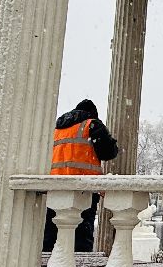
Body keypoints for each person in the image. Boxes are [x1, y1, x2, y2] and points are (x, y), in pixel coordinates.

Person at [43, 98, 119, 253]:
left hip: (55, 188)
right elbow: (109, 152)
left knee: (51, 236)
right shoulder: (91, 125)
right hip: (83, 188)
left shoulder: (57, 128)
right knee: (81, 238)